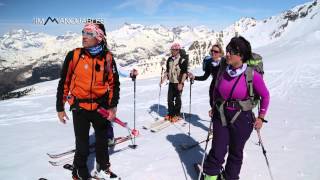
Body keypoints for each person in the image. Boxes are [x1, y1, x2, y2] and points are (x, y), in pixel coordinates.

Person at [56, 21, 120, 179]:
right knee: (82, 145)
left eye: (89, 33)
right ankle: (78, 170)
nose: (84, 37)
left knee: (102, 141)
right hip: (80, 107)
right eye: (83, 32)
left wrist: (112, 106)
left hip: (101, 106)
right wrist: (60, 107)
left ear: (99, 37)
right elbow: (64, 82)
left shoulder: (107, 58)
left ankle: (103, 166)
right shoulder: (75, 55)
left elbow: (113, 84)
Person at [202, 36, 270, 180]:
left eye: (231, 51)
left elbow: (265, 96)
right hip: (221, 115)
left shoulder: (252, 75)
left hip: (242, 118)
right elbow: (216, 90)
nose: (227, 54)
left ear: (241, 56)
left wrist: (261, 117)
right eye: (227, 50)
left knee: (235, 152)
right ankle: (210, 177)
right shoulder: (223, 71)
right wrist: (214, 105)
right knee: (218, 150)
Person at [188, 43, 224, 108]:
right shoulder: (209, 63)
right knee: (213, 105)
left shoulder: (225, 62)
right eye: (212, 51)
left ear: (220, 53)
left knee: (222, 107)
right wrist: (194, 77)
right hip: (213, 87)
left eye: (216, 51)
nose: (213, 52)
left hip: (223, 87)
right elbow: (204, 77)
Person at [160, 43, 189, 122]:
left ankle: (177, 114)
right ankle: (171, 114)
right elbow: (168, 71)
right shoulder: (169, 59)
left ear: (177, 50)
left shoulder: (182, 60)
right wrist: (163, 80)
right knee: (169, 99)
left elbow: (184, 73)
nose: (171, 51)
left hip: (178, 82)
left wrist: (181, 83)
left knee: (178, 99)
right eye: (171, 50)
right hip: (172, 82)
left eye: (172, 50)